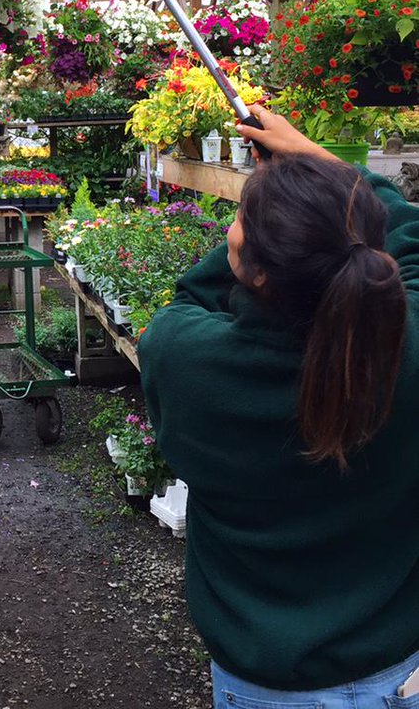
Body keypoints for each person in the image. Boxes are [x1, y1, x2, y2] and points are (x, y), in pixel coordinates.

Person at [138, 103, 419, 709]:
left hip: (265, 684)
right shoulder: (405, 347)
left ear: (255, 270)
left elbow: (194, 293)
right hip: (399, 670)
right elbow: (409, 230)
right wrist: (316, 161)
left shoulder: (186, 361)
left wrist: (268, 207)